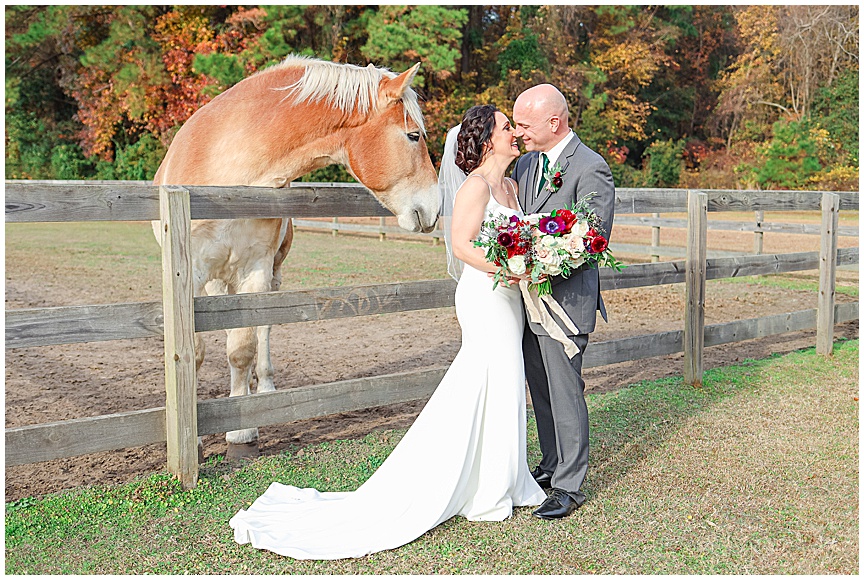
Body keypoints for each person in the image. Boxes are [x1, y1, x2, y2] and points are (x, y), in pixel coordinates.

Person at [229, 105, 546, 560]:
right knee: (492, 376)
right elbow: (461, 244)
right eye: (505, 127)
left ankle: (503, 479)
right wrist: (509, 267)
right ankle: (488, 489)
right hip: (486, 294)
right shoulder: (476, 186)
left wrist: (524, 262)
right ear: (486, 139)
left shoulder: (512, 186)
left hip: (509, 296)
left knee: (502, 382)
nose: (513, 133)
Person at [511, 84, 616, 520]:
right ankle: (552, 464)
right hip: (526, 301)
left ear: (554, 122)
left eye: (524, 124)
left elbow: (594, 239)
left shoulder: (591, 167)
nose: (518, 133)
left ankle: (570, 486)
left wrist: (545, 256)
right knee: (541, 390)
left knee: (566, 391)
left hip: (564, 301)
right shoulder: (527, 164)